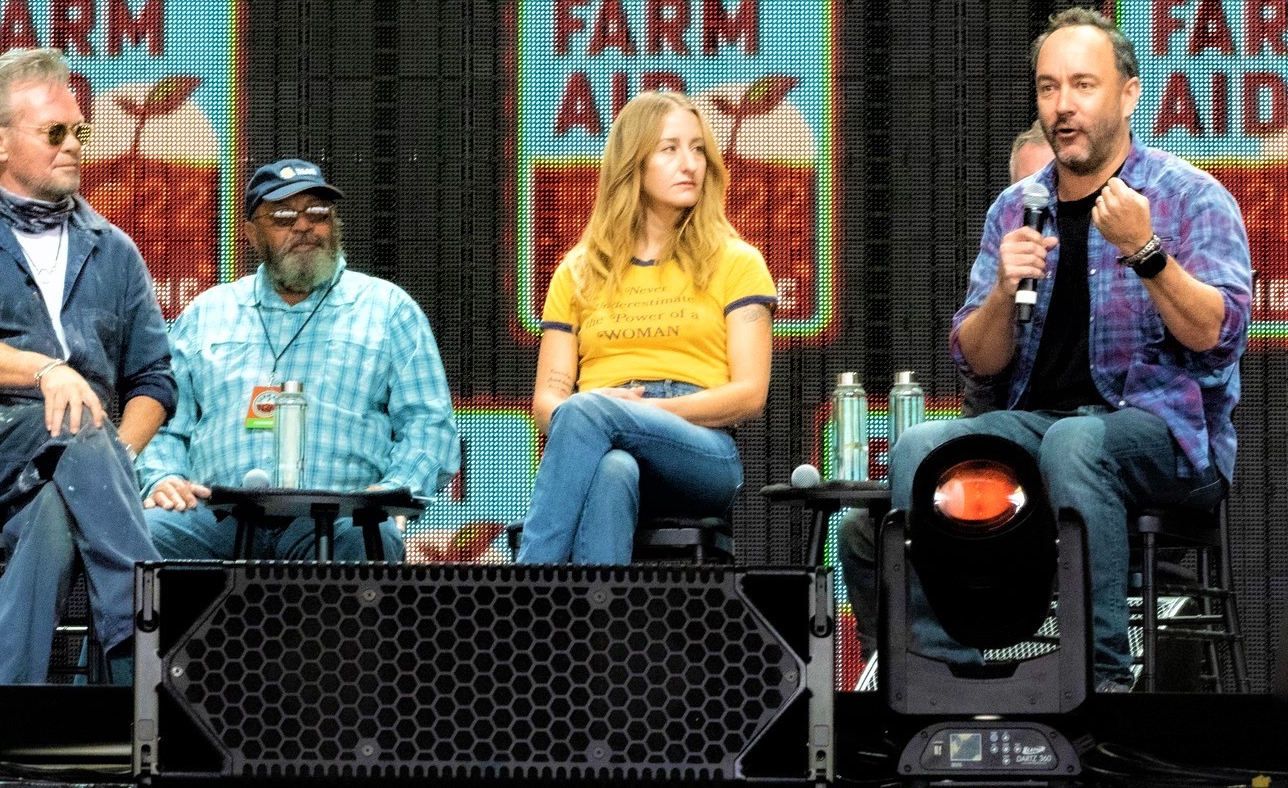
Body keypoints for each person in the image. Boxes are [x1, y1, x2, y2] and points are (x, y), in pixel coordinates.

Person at [888, 8, 1250, 692]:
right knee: (919, 450)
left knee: (1077, 443)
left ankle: (1101, 683)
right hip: (1043, 424)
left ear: (1128, 94)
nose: (1064, 106)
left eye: (1083, 85)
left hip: (1169, 438)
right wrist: (1001, 291)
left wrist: (1146, 252)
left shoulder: (1190, 197)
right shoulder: (1016, 208)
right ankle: (943, 676)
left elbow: (1218, 335)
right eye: (1049, 88)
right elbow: (977, 360)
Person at [0, 48, 174, 684]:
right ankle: (147, 652)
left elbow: (153, 381)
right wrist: (47, 372)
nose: (75, 144)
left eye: (81, 130)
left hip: (80, 455)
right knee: (79, 426)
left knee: (54, 515)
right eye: (55, 131)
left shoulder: (114, 251)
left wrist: (111, 456)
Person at [137, 159, 459, 559]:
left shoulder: (387, 308)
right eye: (284, 216)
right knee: (139, 535)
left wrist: (395, 490)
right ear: (251, 235)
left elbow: (430, 426)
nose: (303, 225)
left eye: (318, 213)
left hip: (339, 516)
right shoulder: (207, 313)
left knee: (368, 540)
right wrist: (164, 478)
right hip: (216, 517)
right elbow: (164, 425)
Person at [516, 90, 777, 564]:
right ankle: (606, 632)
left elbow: (750, 394)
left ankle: (526, 593)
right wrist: (603, 414)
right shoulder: (577, 271)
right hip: (601, 435)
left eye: (698, 148)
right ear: (632, 164)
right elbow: (546, 404)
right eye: (670, 149)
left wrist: (641, 413)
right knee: (613, 470)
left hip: (701, 451)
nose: (690, 164)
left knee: (590, 415)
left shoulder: (737, 261)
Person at [840, 123, 1053, 662]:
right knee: (861, 535)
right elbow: (976, 384)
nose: (1038, 218)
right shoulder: (1004, 268)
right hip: (996, 471)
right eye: (1027, 197)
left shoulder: (1111, 267)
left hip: (1066, 470)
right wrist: (1006, 293)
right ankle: (904, 667)